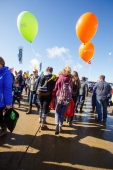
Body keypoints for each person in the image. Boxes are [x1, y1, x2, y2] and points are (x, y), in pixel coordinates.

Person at [53, 66, 73, 135]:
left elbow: (56, 86)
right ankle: (60, 126)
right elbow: (71, 89)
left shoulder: (60, 77)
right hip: (67, 98)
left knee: (57, 111)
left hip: (59, 96)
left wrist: (54, 91)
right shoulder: (70, 79)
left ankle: (56, 125)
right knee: (62, 112)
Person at [0, 57, 13, 137]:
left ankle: (4, 128)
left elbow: (8, 89)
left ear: (1, 63)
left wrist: (8, 103)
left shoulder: (7, 74)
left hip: (1, 101)